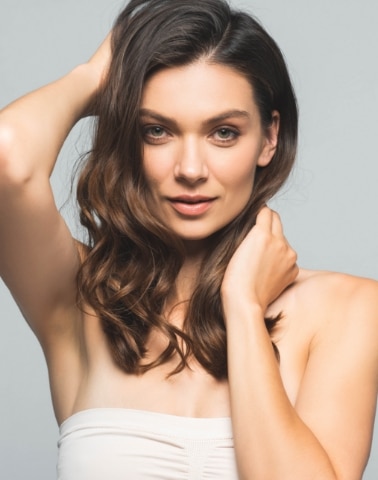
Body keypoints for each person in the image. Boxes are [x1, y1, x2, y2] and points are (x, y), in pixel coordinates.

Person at [0, 0, 377, 478]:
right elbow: (6, 156)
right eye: (157, 131)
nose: (191, 170)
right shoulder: (82, 303)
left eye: (223, 132)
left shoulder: (348, 310)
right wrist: (95, 77)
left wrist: (241, 306)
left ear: (268, 138)